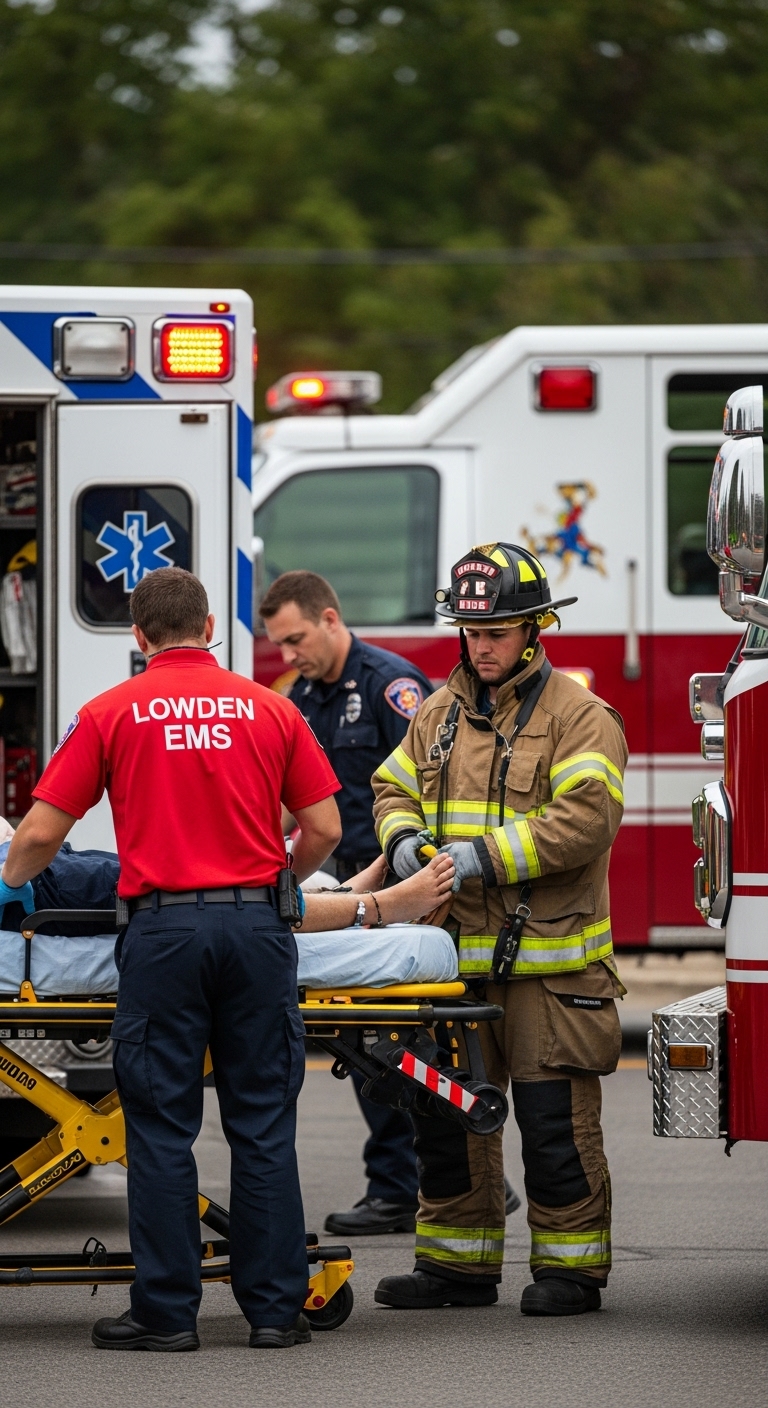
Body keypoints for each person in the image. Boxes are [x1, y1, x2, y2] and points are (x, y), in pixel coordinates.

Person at [0, 566, 343, 1352]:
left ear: (139, 637)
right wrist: (274, 884)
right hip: (256, 933)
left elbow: (41, 836)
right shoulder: (270, 710)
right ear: (213, 627)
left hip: (162, 935)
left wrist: (11, 884)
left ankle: (166, 1314)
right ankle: (273, 1312)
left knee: (158, 1129)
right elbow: (322, 826)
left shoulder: (112, 712)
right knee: (262, 1125)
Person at [370, 542, 628, 1317]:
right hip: (452, 962)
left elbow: (586, 820)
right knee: (449, 1116)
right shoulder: (438, 714)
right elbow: (390, 787)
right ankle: (456, 1267)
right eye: (472, 633)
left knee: (554, 1126)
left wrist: (478, 858)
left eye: (499, 632)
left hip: (550, 968)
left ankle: (572, 1272)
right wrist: (404, 841)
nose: (481, 647)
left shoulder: (580, 716)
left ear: (535, 629)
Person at [260, 569, 432, 1238]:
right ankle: (441, 1178)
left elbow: (427, 786)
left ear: (331, 619)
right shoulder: (298, 697)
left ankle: (412, 1184)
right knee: (367, 1044)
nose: (288, 655)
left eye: (296, 638)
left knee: (387, 1041)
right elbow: (287, 799)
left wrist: (397, 873)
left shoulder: (393, 685)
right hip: (335, 884)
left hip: (389, 881)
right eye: (279, 644)